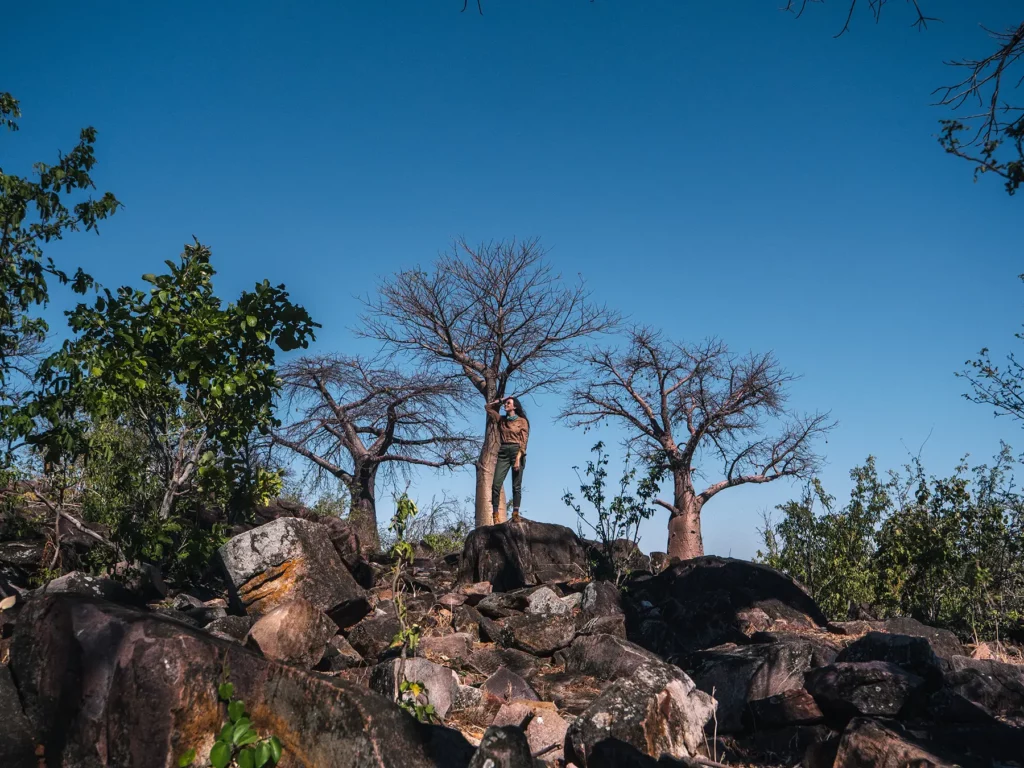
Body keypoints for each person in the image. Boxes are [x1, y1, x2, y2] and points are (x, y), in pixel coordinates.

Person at [486, 395, 530, 523]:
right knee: (496, 484)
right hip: (503, 451)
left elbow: (524, 442)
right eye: (505, 403)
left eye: (508, 403)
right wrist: (501, 400)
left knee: (516, 486)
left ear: (514, 406)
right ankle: (495, 514)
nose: (506, 405)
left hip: (517, 451)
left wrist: (517, 458)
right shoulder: (501, 419)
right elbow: (487, 407)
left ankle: (515, 513)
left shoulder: (522, 421)